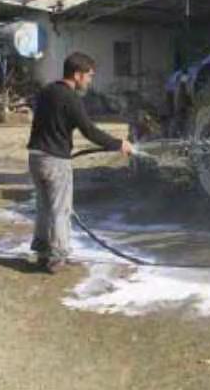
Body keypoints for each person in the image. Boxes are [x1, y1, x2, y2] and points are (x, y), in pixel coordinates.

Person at [27, 52, 134, 273]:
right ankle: (58, 256)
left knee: (44, 207)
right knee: (60, 209)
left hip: (36, 157)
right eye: (89, 76)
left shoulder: (46, 91)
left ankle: (42, 251)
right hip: (56, 160)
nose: (89, 81)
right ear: (77, 75)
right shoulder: (71, 98)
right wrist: (118, 144)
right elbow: (89, 131)